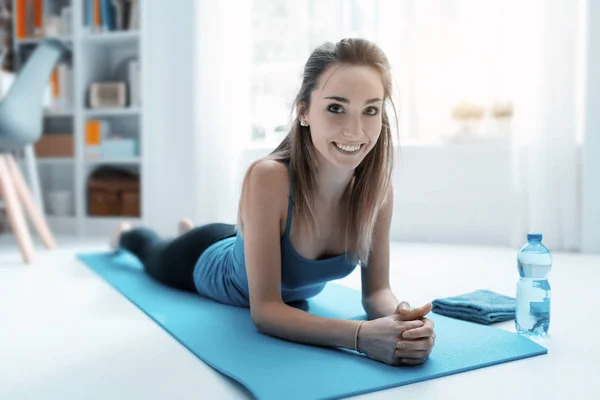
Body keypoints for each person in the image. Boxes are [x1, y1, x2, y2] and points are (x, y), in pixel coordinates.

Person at [112, 38, 436, 367]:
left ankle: (187, 229)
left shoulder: (377, 190)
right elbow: (266, 311)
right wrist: (360, 336)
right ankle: (128, 234)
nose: (355, 131)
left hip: (247, 239)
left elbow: (376, 293)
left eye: (370, 110)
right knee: (148, 249)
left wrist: (405, 320)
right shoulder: (269, 178)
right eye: (336, 108)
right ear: (304, 111)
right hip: (206, 260)